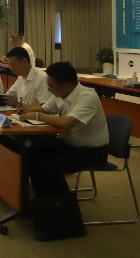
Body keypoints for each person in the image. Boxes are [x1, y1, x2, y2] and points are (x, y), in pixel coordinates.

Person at [18, 62, 109, 196]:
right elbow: (44, 108)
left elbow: (67, 123)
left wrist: (37, 115)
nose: (49, 89)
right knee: (30, 152)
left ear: (67, 85)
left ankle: (61, 204)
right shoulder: (61, 93)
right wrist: (26, 109)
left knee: (48, 165)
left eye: (51, 86)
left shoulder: (88, 97)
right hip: (67, 144)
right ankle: (42, 199)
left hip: (91, 152)